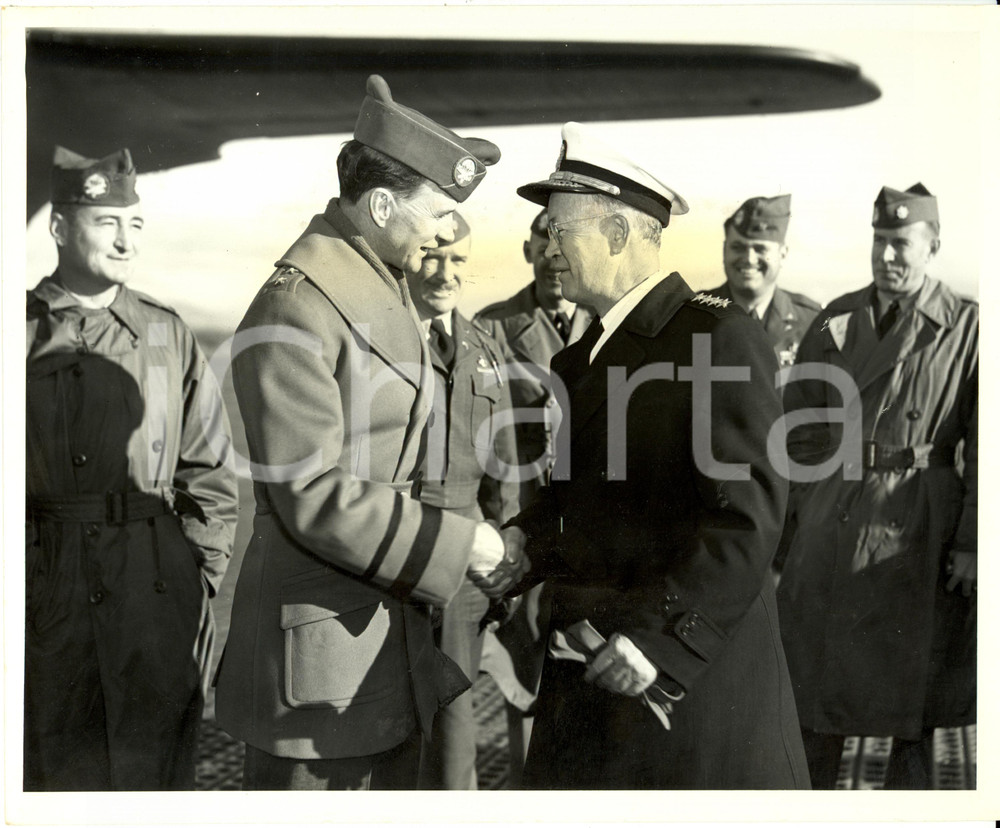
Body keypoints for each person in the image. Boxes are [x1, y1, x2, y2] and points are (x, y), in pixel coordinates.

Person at [214, 75, 526, 791]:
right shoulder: (299, 306)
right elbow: (311, 492)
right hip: (318, 661)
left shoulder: (374, 284)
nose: (445, 233)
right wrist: (463, 543)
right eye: (438, 213)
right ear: (382, 206)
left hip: (379, 637)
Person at [500, 122, 810, 789]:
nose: (547, 249)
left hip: (680, 699)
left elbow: (746, 520)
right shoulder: (586, 355)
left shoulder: (716, 337)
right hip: (593, 680)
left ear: (616, 234)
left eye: (559, 231)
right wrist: (524, 543)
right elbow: (584, 504)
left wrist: (660, 643)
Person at [25, 146, 239, 790]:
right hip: (47, 593)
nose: (126, 241)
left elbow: (209, 472)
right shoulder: (19, 332)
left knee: (156, 774)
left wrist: (196, 580)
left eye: (135, 224)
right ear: (59, 227)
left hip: (155, 591)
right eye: (106, 222)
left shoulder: (165, 333)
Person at [776, 183, 977, 789]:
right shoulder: (835, 319)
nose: (887, 255)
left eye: (901, 243)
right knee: (814, 689)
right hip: (834, 516)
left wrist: (971, 542)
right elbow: (799, 425)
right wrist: (808, 507)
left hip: (920, 524)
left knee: (913, 706)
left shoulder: (968, 327)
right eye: (879, 240)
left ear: (932, 246)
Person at [474, 209, 595, 783]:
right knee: (523, 675)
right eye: (542, 244)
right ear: (527, 251)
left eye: (563, 245)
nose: (552, 256)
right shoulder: (493, 328)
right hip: (523, 523)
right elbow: (483, 444)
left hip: (589, 529)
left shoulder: (605, 324)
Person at [404, 213, 520, 789]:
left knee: (454, 725)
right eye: (432, 256)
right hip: (394, 551)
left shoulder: (484, 348)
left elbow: (505, 468)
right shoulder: (383, 338)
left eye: (457, 261)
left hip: (466, 565)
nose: (444, 273)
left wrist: (505, 557)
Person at [707, 194, 821, 367]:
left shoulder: (812, 322)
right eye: (738, 247)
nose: (749, 259)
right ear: (724, 250)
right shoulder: (693, 316)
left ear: (782, 254)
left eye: (760, 249)